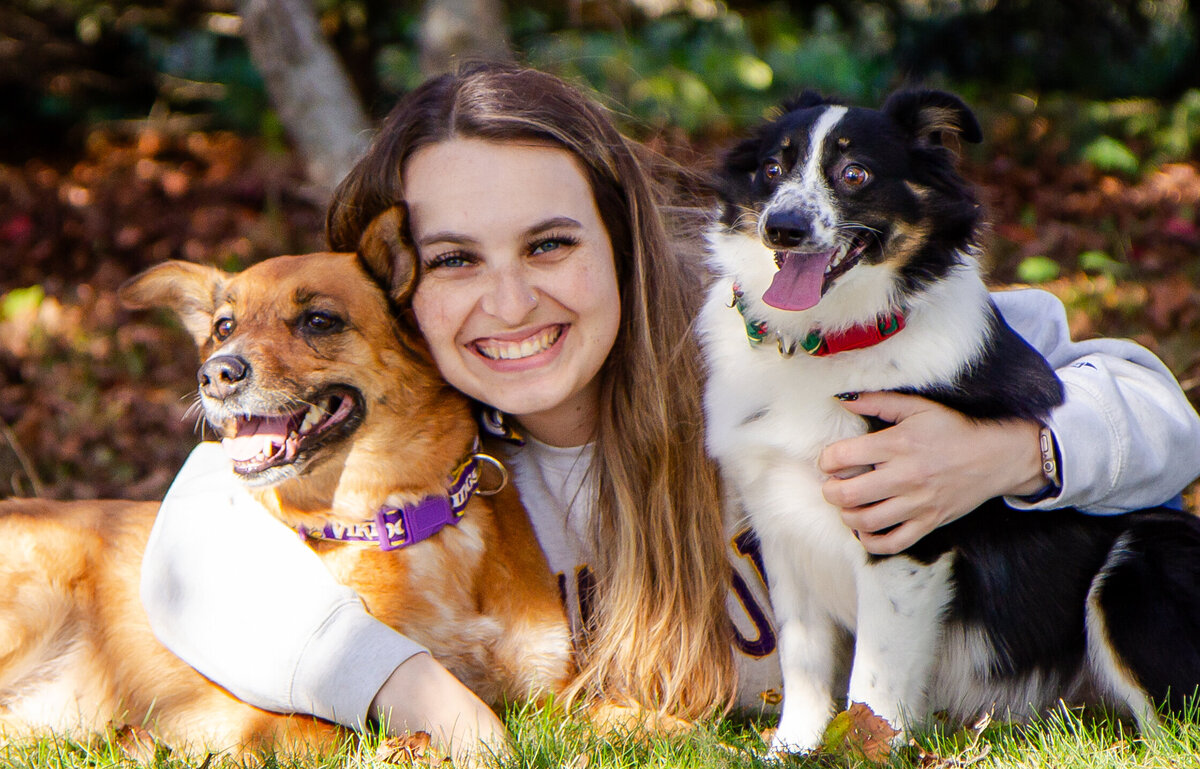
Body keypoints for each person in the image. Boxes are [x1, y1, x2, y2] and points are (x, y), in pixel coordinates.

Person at [140, 62, 1200, 760]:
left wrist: (1012, 451)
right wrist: (407, 686)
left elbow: (1151, 404)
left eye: (550, 245)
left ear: (625, 239)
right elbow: (193, 540)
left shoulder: (773, 326)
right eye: (457, 259)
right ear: (399, 284)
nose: (509, 303)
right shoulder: (420, 457)